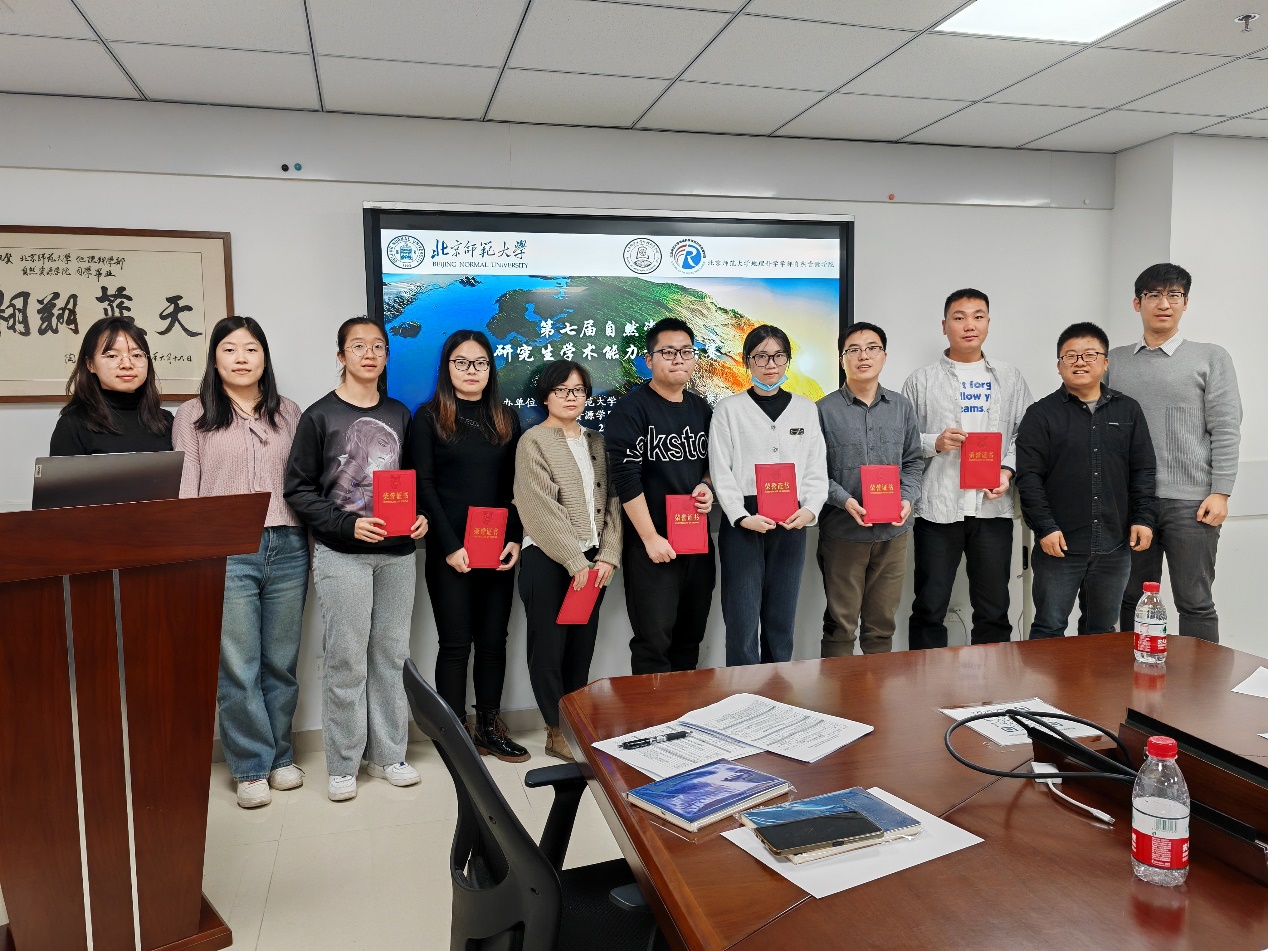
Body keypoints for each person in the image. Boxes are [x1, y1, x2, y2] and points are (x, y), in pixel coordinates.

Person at [284, 316, 427, 802]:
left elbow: (413, 480)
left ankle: (388, 755)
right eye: (358, 346)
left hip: (397, 555)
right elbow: (298, 490)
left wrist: (420, 517)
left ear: (386, 356)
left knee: (390, 655)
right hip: (342, 554)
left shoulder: (400, 414)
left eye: (378, 346)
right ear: (341, 355)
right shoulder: (319, 416)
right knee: (346, 659)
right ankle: (344, 763)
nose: (370, 354)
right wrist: (346, 525)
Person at [173, 316, 308, 809]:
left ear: (264, 358)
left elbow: (305, 482)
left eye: (251, 349)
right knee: (238, 663)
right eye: (230, 349)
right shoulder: (192, 415)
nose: (241, 358)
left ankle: (281, 757)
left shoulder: (289, 412)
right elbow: (186, 491)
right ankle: (251, 766)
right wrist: (194, 554)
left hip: (288, 545)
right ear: (215, 359)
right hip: (225, 551)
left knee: (281, 662)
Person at [1106, 264, 1241, 643]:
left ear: (1185, 303)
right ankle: (1135, 672)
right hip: (1133, 502)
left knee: (1195, 603)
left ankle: (1201, 679)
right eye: (1153, 295)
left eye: (1174, 295)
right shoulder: (1114, 361)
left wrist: (1221, 491)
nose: (1164, 304)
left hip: (1192, 503)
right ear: (1137, 303)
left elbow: (1226, 427)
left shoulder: (1211, 357)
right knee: (1130, 599)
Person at [411, 330, 527, 762]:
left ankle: (489, 728)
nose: (471, 370)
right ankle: (455, 734)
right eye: (461, 362)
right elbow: (423, 484)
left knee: (494, 641)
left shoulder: (506, 419)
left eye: (479, 362)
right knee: (456, 644)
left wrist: (514, 537)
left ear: (490, 369)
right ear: (447, 368)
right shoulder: (428, 418)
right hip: (451, 551)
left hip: (497, 550)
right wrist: (448, 545)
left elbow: (517, 486)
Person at [902, 289, 1032, 648]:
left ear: (988, 323)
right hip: (937, 508)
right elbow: (902, 439)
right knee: (929, 606)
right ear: (945, 326)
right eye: (959, 318)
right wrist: (935, 442)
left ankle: (993, 680)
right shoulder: (920, 381)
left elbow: (1026, 433)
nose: (969, 325)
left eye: (978, 316)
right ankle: (926, 678)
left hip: (992, 506)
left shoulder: (1010, 378)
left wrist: (1006, 471)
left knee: (994, 609)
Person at [1016, 322, 1157, 639]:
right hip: (1059, 545)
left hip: (1114, 543)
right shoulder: (1040, 414)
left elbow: (1143, 471)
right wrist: (1045, 528)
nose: (1080, 362)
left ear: (1105, 363)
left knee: (1102, 632)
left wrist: (1144, 519)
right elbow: (1029, 478)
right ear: (1059, 365)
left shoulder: (1128, 410)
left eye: (1090, 354)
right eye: (1071, 355)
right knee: (1049, 628)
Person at [514, 360, 622, 760]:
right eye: (561, 390)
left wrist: (608, 555)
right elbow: (539, 507)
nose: (570, 397)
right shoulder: (533, 441)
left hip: (593, 564)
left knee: (581, 646)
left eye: (577, 390)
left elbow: (613, 502)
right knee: (548, 649)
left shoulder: (597, 442)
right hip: (548, 560)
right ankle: (554, 730)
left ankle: (576, 724)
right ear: (546, 396)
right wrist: (575, 560)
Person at [709, 325, 826, 665]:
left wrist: (810, 509)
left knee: (781, 619)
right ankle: (744, 693)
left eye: (778, 356)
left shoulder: (806, 409)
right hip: (744, 520)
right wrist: (741, 516)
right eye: (761, 356)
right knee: (742, 620)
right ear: (747, 361)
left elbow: (816, 466)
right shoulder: (728, 409)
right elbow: (721, 469)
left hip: (792, 520)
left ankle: (778, 690)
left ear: (788, 360)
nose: (770, 364)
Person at [606, 317, 715, 675]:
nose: (678, 359)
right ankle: (652, 711)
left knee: (690, 639)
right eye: (668, 352)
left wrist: (707, 485)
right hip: (652, 546)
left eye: (686, 351)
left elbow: (714, 464)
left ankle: (685, 709)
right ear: (649, 359)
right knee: (653, 644)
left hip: (697, 543)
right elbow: (625, 478)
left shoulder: (701, 409)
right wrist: (650, 537)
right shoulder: (631, 409)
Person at [816, 322, 923, 656]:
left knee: (881, 627)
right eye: (854, 350)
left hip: (893, 534)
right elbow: (813, 472)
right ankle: (839, 689)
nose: (863, 356)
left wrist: (907, 498)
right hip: (844, 533)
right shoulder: (823, 410)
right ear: (842, 359)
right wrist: (844, 500)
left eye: (872, 348)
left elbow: (913, 462)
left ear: (884, 356)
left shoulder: (902, 407)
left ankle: (875, 690)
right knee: (840, 625)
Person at [50, 315, 172, 455]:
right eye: (112, 356)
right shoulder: (73, 424)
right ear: (90, 364)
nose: (127, 364)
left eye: (136, 355)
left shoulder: (166, 421)